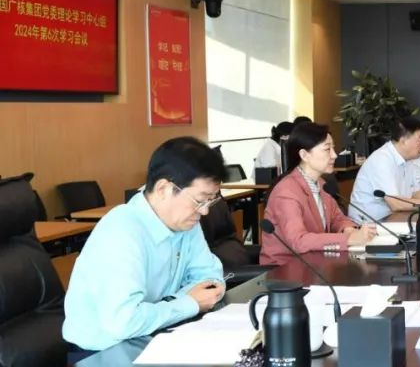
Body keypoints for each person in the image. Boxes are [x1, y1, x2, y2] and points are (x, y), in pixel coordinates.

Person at [63, 137, 228, 352]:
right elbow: (124, 322)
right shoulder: (121, 232)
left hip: (156, 334)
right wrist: (188, 303)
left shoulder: (185, 221)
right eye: (200, 200)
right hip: (102, 353)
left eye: (210, 200)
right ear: (163, 189)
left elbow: (210, 278)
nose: (205, 211)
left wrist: (176, 303)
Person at [260, 122, 377, 264]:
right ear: (304, 155)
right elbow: (298, 241)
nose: (334, 155)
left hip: (315, 263)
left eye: (333, 148)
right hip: (285, 269)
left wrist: (348, 229)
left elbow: (337, 218)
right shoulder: (286, 192)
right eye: (327, 149)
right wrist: (349, 239)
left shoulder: (321, 184)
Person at [349, 116, 420, 221]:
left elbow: (414, 193)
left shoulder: (409, 160)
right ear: (403, 140)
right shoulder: (382, 159)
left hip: (393, 218)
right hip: (369, 223)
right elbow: (396, 203)